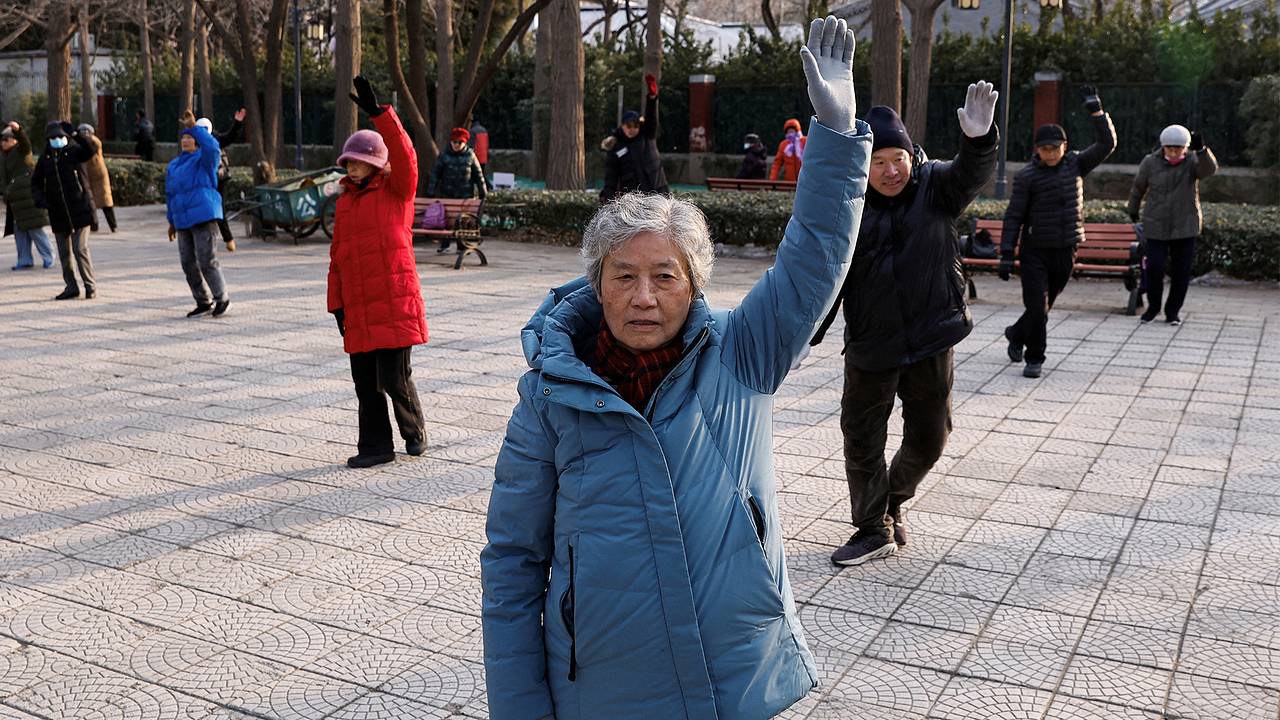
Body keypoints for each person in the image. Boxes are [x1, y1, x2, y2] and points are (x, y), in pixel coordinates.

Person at [481, 17, 868, 720]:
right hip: (604, 689)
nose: (644, 296)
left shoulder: (741, 353)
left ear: (696, 284)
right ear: (597, 286)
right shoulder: (548, 399)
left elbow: (813, 259)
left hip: (737, 674)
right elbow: (511, 566)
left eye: (665, 274)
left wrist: (837, 142)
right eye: (623, 276)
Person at [810, 85, 1000, 567]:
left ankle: (892, 501)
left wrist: (978, 141)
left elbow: (970, 173)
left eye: (897, 158)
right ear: (865, 167)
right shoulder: (848, 207)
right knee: (863, 437)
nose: (890, 171)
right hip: (873, 343)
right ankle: (872, 528)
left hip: (931, 337)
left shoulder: (936, 187)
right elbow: (830, 274)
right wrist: (804, 332)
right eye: (878, 161)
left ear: (912, 156)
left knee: (931, 437)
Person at [328, 76, 428, 469]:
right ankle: (375, 447)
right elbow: (338, 258)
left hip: (393, 304)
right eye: (348, 162)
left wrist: (379, 113)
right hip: (358, 308)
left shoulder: (396, 191)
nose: (352, 168)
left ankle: (414, 431)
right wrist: (337, 305)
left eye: (358, 161)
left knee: (393, 379)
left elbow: (406, 154)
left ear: (373, 163)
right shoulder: (344, 205)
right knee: (365, 386)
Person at [999, 85, 1116, 378]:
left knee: (1044, 305)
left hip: (1066, 247)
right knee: (1037, 306)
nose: (1050, 153)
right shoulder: (1027, 177)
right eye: (1044, 148)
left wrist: (1096, 111)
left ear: (1064, 146)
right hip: (1035, 250)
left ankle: (1015, 333)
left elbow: (1107, 143)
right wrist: (1005, 252)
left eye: (1055, 147)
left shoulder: (1076, 165)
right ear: (1037, 150)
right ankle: (1034, 358)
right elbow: (1015, 215)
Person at [1127, 124, 1218, 326]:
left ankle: (1172, 311)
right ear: (1163, 147)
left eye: (1179, 148)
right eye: (1170, 148)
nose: (1175, 152)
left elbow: (1209, 170)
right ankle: (1153, 308)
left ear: (1185, 148)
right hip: (1156, 223)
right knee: (1155, 267)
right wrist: (1132, 209)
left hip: (1185, 225)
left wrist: (1202, 151)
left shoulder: (1192, 162)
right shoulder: (1150, 162)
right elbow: (1138, 186)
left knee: (1181, 272)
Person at [166, 111, 231, 318]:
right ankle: (203, 301)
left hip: (203, 215)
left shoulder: (204, 160)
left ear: (197, 141)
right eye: (184, 137)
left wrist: (195, 127)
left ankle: (222, 298)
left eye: (190, 137)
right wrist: (171, 221)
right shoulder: (174, 165)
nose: (186, 140)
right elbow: (170, 194)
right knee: (187, 263)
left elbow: (213, 147)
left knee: (206, 259)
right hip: (182, 219)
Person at [31, 121, 97, 300]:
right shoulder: (45, 158)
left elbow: (91, 150)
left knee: (79, 249)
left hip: (80, 209)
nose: (57, 140)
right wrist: (41, 200)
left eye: (60, 136)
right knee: (64, 252)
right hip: (57, 211)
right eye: (53, 137)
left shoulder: (74, 152)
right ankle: (71, 286)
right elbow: (36, 182)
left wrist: (77, 134)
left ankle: (90, 285)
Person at [599, 73, 669, 203]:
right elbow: (611, 177)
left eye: (635, 125)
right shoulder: (615, 145)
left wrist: (652, 98)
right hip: (634, 199)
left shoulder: (647, 135)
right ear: (622, 125)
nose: (632, 129)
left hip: (658, 192)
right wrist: (608, 199)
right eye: (629, 126)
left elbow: (651, 118)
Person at [426, 126, 487, 253]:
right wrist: (431, 190)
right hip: (447, 193)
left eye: (460, 142)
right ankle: (445, 244)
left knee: (462, 221)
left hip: (465, 194)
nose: (457, 145)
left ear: (464, 142)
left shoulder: (470, 155)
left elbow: (478, 175)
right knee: (446, 220)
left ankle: (461, 246)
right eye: (454, 142)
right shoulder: (444, 156)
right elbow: (435, 174)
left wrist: (483, 191)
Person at [1, 122, 53, 271]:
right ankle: (24, 260)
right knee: (20, 232)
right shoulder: (3, 157)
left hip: (28, 199)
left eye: (6, 139)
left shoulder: (22, 151)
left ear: (14, 139)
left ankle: (49, 257)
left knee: (35, 230)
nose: (3, 142)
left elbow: (26, 142)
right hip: (15, 201)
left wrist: (18, 130)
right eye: (2, 139)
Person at [196, 108, 246, 252]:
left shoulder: (215, 140)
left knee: (218, 207)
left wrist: (237, 123)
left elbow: (230, 137)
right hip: (204, 181)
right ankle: (205, 238)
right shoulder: (195, 143)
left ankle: (228, 238)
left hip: (220, 178)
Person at [75, 124, 118, 234]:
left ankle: (113, 225)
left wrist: (83, 137)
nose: (85, 133)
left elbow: (93, 147)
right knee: (90, 203)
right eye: (82, 131)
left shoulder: (95, 142)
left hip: (99, 176)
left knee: (106, 201)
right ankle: (94, 226)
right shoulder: (80, 143)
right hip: (87, 176)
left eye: (87, 131)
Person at [469, 118, 492, 190]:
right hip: (484, 156)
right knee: (481, 172)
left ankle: (488, 186)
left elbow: (471, 145)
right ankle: (487, 187)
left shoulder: (472, 131)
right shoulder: (484, 130)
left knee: (477, 174)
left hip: (476, 156)